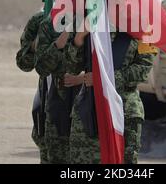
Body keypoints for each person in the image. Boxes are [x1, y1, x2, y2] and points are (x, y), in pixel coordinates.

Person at [65, 27, 155, 164]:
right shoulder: (89, 21)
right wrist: (78, 39)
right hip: (88, 111)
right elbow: (71, 67)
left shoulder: (145, 27)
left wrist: (102, 79)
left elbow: (144, 69)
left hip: (124, 113)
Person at [35, 0, 79, 164]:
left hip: (88, 108)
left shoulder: (99, 25)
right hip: (59, 105)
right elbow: (41, 67)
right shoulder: (49, 25)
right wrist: (60, 42)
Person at [16, 10, 46, 162]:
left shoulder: (98, 17)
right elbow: (23, 63)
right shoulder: (41, 19)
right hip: (51, 99)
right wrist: (36, 45)